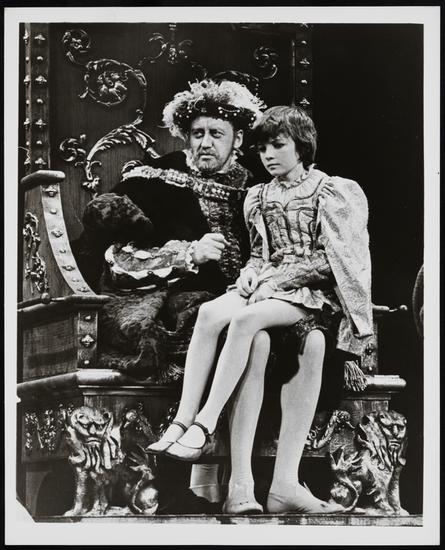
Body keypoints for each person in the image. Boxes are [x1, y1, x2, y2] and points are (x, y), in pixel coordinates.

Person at [148, 105, 373, 514]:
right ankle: (183, 419)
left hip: (311, 295)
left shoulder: (331, 191)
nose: (267, 155)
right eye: (263, 148)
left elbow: (336, 260)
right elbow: (258, 254)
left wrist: (278, 281)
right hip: (270, 284)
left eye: (277, 146)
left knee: (247, 319)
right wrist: (251, 274)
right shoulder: (260, 195)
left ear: (301, 146)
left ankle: (205, 421)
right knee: (210, 313)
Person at [75, 77, 274, 508]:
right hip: (175, 303)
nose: (205, 143)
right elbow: (117, 259)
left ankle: (239, 479)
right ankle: (214, 471)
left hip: (253, 299)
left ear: (238, 140)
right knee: (239, 330)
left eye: (216, 133)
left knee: (264, 332)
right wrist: (188, 253)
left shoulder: (260, 186)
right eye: (197, 133)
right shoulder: (153, 182)